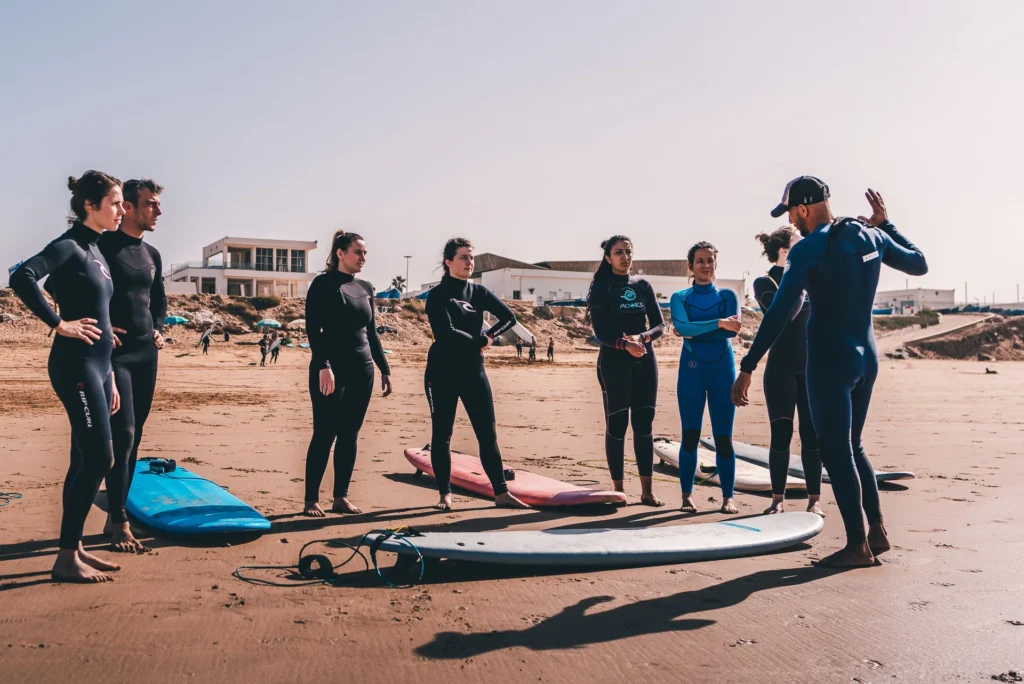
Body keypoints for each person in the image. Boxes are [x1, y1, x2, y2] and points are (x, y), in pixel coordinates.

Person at [733, 179, 927, 568]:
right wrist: (886, 223)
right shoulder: (869, 235)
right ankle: (876, 530)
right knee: (853, 445)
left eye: (790, 212)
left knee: (836, 450)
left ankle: (856, 546)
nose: (790, 219)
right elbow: (919, 263)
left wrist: (748, 365)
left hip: (828, 360)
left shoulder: (807, 249)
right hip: (866, 357)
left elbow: (778, 314)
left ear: (803, 209)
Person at [10, 171, 126, 583]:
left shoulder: (96, 251)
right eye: (115, 202)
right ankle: (64, 558)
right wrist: (60, 323)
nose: (122, 209)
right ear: (89, 206)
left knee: (83, 459)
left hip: (97, 369)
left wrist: (109, 375)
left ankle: (74, 549)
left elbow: (105, 318)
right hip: (74, 367)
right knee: (100, 457)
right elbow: (21, 277)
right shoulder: (68, 246)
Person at [424, 237, 529, 511]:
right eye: (463, 257)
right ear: (448, 262)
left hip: (473, 371)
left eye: (471, 257)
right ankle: (445, 494)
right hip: (442, 371)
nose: (469, 262)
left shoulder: (478, 292)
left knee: (487, 434)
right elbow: (445, 333)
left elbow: (509, 318)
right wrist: (479, 341)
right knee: (442, 434)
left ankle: (501, 493)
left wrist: (488, 336)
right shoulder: (437, 295)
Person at [303, 231, 393, 516]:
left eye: (365, 253)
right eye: (358, 252)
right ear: (340, 253)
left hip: (362, 368)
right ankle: (311, 500)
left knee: (350, 434)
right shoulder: (322, 284)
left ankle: (340, 496)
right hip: (331, 368)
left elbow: (371, 333)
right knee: (325, 433)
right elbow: (313, 330)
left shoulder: (365, 287)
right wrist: (323, 365)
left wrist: (384, 369)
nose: (363, 258)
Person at [98, 178, 166, 553]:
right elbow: (65, 288)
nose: (158, 210)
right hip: (114, 356)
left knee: (135, 435)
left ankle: (116, 508)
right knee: (120, 436)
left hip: (146, 355)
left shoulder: (151, 254)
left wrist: (157, 329)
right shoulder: (102, 246)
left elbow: (159, 300)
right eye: (151, 204)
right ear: (130, 206)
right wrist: (102, 326)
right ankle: (119, 520)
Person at [586, 235, 665, 506]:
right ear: (608, 257)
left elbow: (659, 325)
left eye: (628, 252)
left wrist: (640, 339)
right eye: (619, 252)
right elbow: (601, 332)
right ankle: (619, 490)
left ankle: (647, 491)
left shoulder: (642, 285)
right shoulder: (601, 287)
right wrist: (624, 344)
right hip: (614, 362)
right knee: (617, 425)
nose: (625, 257)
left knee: (644, 425)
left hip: (644, 358)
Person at [752, 226, 824, 517]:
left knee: (811, 435)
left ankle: (814, 499)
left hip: (811, 369)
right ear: (785, 250)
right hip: (780, 368)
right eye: (798, 243)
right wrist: (799, 279)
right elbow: (785, 314)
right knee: (781, 434)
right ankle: (777, 499)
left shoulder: (811, 278)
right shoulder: (764, 282)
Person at [670, 242, 741, 514]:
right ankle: (687, 495)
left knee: (724, 438)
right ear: (691, 266)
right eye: (700, 261)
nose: (706, 265)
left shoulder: (728, 295)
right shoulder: (680, 297)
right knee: (690, 435)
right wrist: (718, 323)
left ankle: (728, 498)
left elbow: (731, 333)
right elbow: (681, 326)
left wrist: (698, 331)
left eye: (710, 260)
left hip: (723, 369)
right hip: (691, 372)